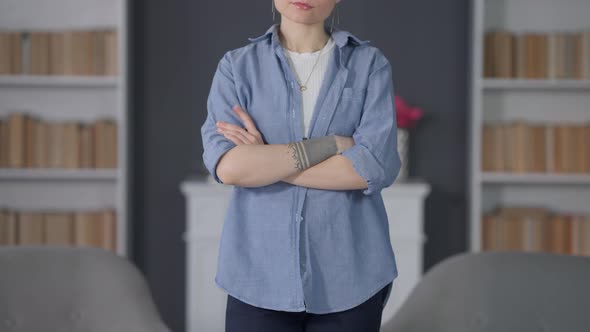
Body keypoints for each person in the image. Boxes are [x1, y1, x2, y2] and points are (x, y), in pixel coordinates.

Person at [200, 0, 401, 331]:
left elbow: (375, 167)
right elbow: (229, 167)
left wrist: (265, 158)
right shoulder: (237, 67)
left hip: (352, 277)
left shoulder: (369, 65)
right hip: (257, 277)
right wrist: (333, 145)